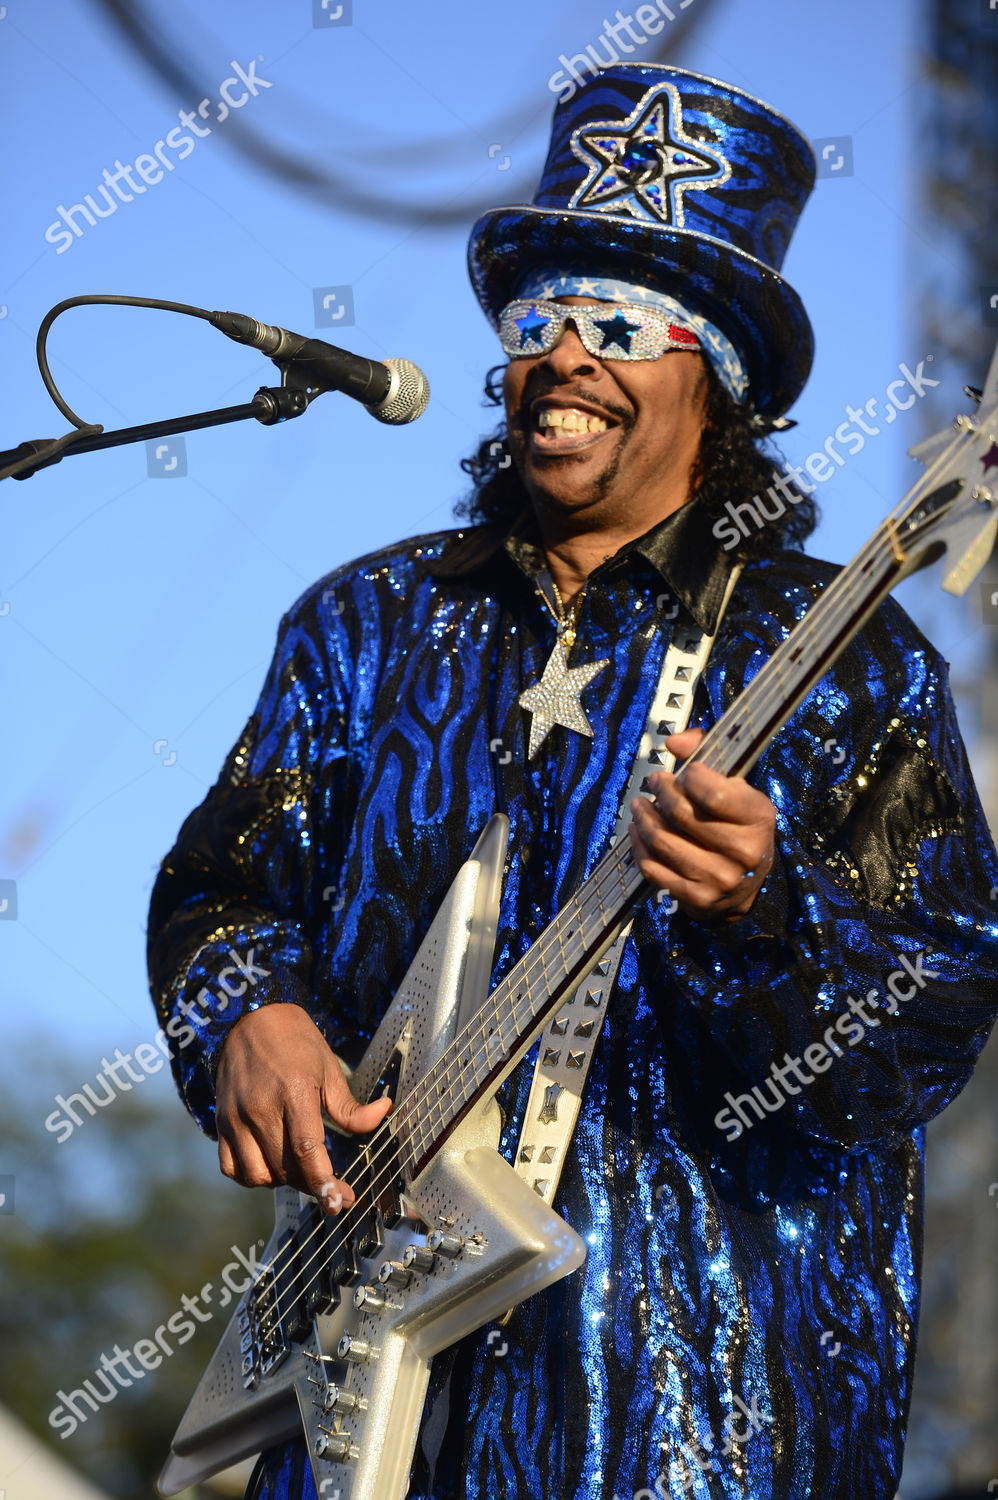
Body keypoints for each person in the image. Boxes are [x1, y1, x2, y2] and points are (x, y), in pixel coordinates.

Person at [147, 64, 998, 1500]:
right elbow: (226, 880)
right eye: (536, 320)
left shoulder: (845, 654)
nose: (561, 357)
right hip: (371, 1400)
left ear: (712, 380)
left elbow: (929, 1013)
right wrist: (251, 1014)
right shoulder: (365, 625)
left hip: (696, 1393)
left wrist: (760, 911)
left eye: (617, 324)